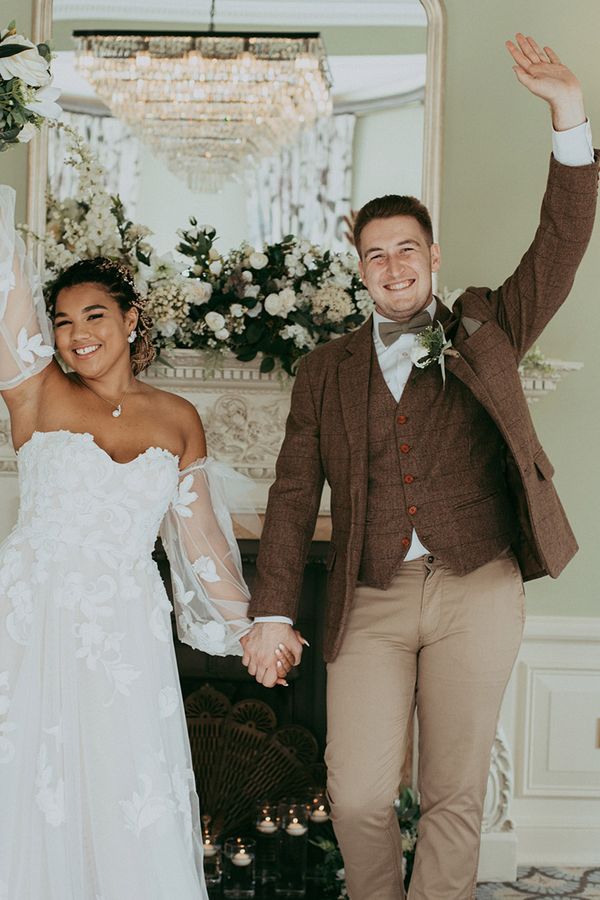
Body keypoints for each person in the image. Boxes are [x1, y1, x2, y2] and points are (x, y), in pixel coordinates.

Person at [242, 34, 598, 899]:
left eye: (407, 249)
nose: (393, 265)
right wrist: (271, 612)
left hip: (477, 583)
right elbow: (292, 499)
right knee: (357, 790)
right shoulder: (325, 371)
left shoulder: (487, 327)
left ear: (432, 258)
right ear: (359, 269)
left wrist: (569, 116)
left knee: (452, 793)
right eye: (375, 254)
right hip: (370, 592)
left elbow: (559, 242)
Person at [0, 217, 295, 895]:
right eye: (64, 320)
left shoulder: (176, 417)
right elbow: (5, 283)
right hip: (31, 616)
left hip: (122, 632)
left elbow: (203, 545)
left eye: (96, 315)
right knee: (30, 777)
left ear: (132, 320)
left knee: (119, 777)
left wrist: (254, 631)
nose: (78, 333)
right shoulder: (34, 392)